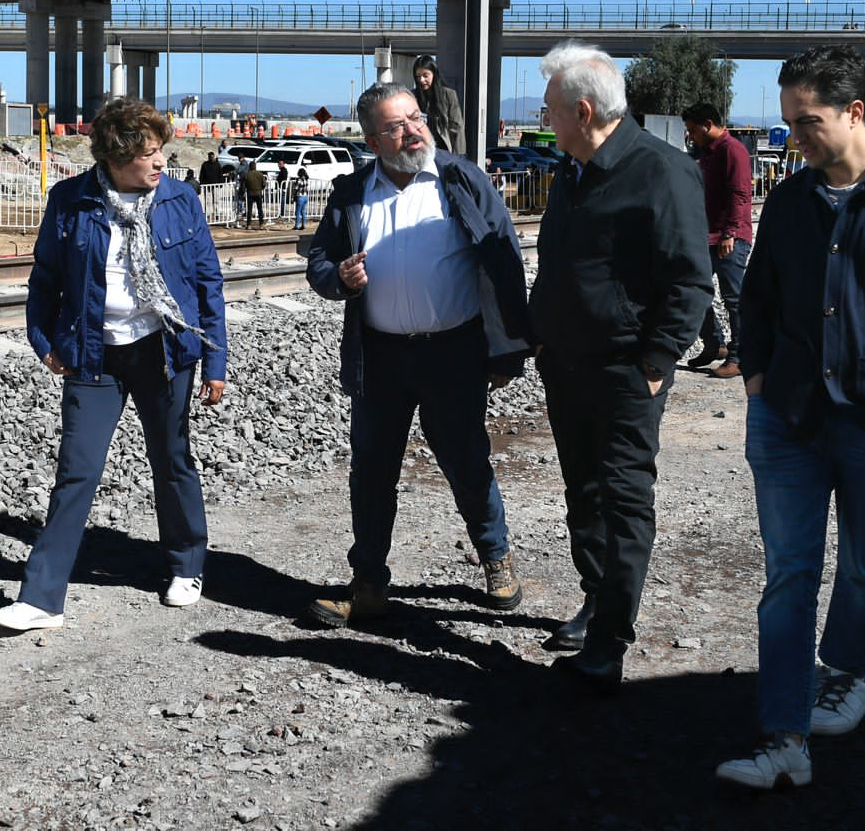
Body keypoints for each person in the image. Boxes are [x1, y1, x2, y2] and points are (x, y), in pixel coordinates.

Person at [715, 45, 865, 790]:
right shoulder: (790, 200)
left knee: (863, 565)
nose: (794, 137)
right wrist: (756, 377)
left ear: (855, 112)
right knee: (788, 574)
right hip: (786, 418)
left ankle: (847, 672)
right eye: (789, 121)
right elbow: (755, 298)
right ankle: (784, 735)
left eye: (808, 121)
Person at [0, 97, 229, 632]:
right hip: (92, 354)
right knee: (76, 472)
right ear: (117, 158)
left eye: (161, 151)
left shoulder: (180, 200)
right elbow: (45, 280)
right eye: (149, 154)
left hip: (163, 350)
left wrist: (215, 360)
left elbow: (207, 283)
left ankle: (186, 564)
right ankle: (42, 599)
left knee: (172, 461)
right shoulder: (70, 199)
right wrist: (41, 338)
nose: (161, 162)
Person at [304, 82, 532, 628]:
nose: (412, 130)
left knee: (466, 461)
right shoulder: (352, 193)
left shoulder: (460, 179)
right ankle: (369, 584)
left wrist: (509, 350)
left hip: (453, 353)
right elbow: (318, 262)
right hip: (379, 358)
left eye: (415, 118)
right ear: (373, 141)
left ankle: (495, 558)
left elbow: (506, 264)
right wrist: (338, 276)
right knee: (372, 473)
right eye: (396, 126)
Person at [526, 41, 711, 693]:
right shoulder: (574, 171)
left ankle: (609, 642)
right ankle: (595, 597)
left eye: (550, 109)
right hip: (566, 365)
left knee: (624, 498)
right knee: (583, 495)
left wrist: (656, 363)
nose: (543, 118)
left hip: (626, 371)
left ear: (582, 110)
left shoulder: (661, 171)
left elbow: (691, 281)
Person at [682, 102, 752, 380]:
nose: (690, 136)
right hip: (707, 235)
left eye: (693, 130)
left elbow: (739, 194)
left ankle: (739, 356)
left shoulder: (732, 150)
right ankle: (715, 344)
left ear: (708, 124)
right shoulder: (706, 152)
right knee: (692, 290)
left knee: (733, 299)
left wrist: (730, 233)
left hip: (728, 239)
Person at [412, 54, 465, 156]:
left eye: (425, 75)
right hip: (420, 153)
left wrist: (459, 157)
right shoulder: (412, 97)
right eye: (418, 76)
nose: (421, 80)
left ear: (434, 74)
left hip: (443, 153)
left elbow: (457, 128)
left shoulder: (449, 95)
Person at [292, 166, 310, 230]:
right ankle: (303, 225)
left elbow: (296, 189)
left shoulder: (299, 180)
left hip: (300, 196)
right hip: (305, 197)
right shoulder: (306, 179)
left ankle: (296, 226)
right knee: (303, 212)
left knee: (298, 212)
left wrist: (293, 196)